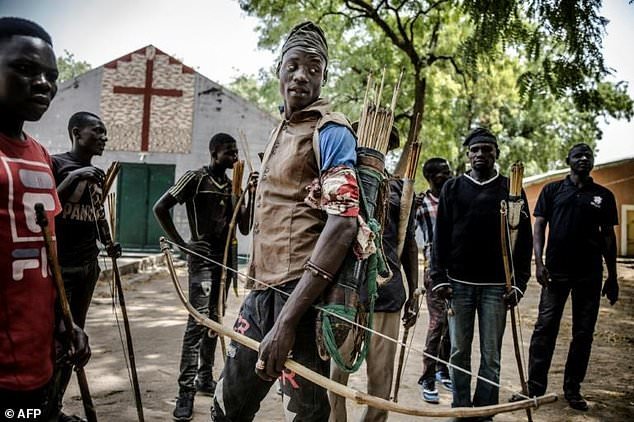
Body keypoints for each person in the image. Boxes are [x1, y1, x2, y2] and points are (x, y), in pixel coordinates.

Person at [212, 21, 359, 421]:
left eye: (314, 69)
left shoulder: (330, 130)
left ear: (324, 77)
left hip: (301, 299)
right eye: (293, 65)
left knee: (308, 415)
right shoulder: (282, 127)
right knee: (228, 407)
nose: (302, 76)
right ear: (278, 71)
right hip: (263, 292)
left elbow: (343, 223)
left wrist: (286, 323)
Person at [0, 17, 90, 420]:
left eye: (51, 76)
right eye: (24, 69)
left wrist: (63, 322)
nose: (43, 84)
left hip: (36, 362)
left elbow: (44, 254)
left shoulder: (39, 154)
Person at [429, 128, 532, 417]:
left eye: (487, 149)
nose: (480, 155)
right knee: (459, 351)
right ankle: (462, 407)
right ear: (467, 154)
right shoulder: (452, 188)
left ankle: (485, 410)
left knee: (491, 355)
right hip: (458, 285)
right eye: (475, 150)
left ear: (496, 153)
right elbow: (440, 237)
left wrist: (519, 283)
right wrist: (438, 278)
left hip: (497, 287)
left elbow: (524, 242)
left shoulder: (510, 190)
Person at [154, 132, 254, 421]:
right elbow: (160, 207)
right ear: (214, 153)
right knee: (198, 322)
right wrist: (182, 244)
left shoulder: (233, 184)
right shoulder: (195, 178)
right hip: (202, 260)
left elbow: (244, 228)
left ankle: (204, 378)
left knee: (213, 321)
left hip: (225, 261)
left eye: (236, 152)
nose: (235, 157)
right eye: (229, 152)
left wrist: (250, 194)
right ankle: (184, 393)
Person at [328, 128, 419, 422]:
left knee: (380, 381)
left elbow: (409, 243)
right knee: (334, 376)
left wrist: (415, 290)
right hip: (343, 292)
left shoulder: (399, 190)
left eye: (386, 145)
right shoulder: (338, 180)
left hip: (388, 293)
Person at [522, 143, 618, 411]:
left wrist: (612, 277)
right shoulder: (552, 190)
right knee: (545, 327)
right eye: (578, 155)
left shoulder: (603, 195)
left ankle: (573, 389)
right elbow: (539, 226)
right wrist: (538, 263)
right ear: (568, 160)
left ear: (593, 162)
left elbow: (609, 236)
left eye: (588, 155)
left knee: (583, 333)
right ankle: (534, 386)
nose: (584, 159)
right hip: (555, 273)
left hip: (590, 274)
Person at [47, 111, 119, 422]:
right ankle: (36, 409)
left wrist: (108, 241)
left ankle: (55, 406)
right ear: (77, 133)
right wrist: (74, 177)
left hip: (88, 264)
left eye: (105, 132)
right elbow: (46, 206)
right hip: (59, 267)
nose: (104, 137)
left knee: (76, 340)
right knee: (54, 339)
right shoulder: (56, 164)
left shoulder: (99, 173)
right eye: (97, 131)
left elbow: (96, 212)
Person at [415, 157, 453, 404]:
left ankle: (443, 369)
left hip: (459, 269)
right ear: (431, 177)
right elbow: (410, 236)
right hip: (435, 269)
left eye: (449, 171)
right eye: (442, 173)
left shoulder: (457, 198)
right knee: (438, 323)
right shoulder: (421, 204)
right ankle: (427, 377)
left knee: (452, 324)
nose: (448, 175)